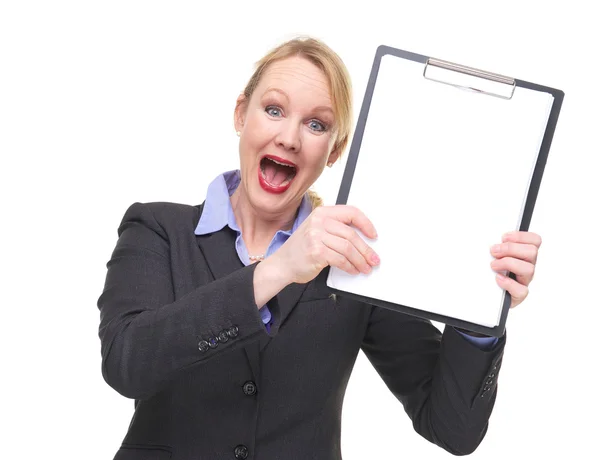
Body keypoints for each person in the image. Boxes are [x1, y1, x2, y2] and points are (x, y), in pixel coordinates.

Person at [97, 36, 542, 460]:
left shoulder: (353, 257)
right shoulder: (157, 228)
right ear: (240, 114)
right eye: (273, 109)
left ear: (335, 150)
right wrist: (280, 268)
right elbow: (126, 363)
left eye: (316, 124)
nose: (290, 138)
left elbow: (452, 429)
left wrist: (482, 311)